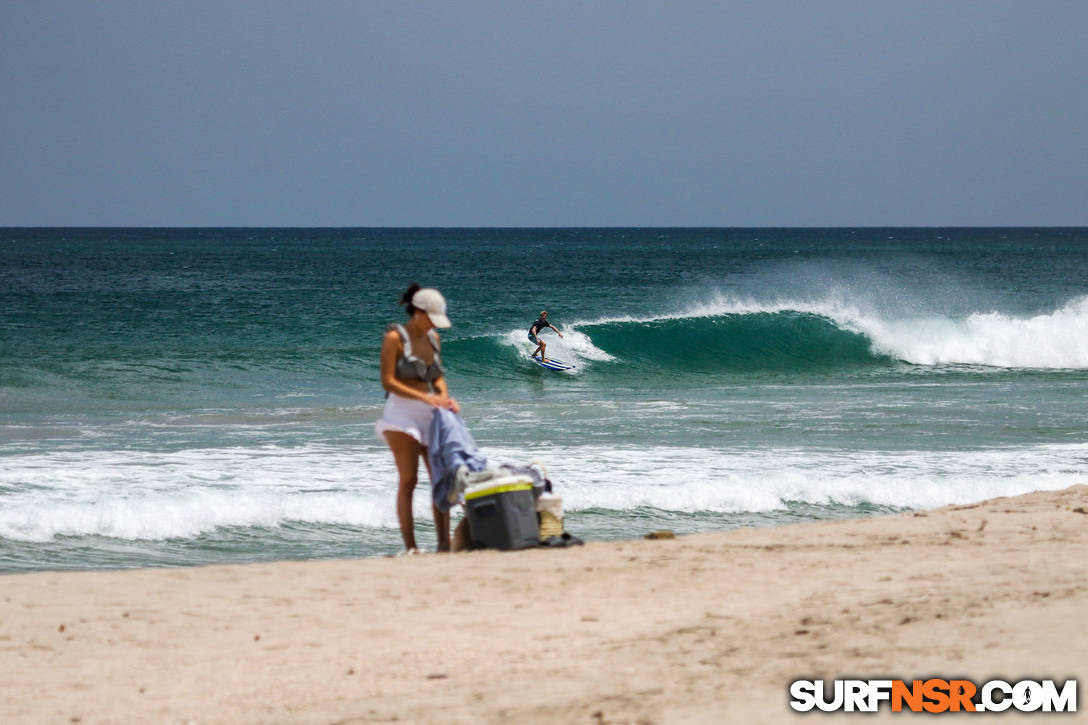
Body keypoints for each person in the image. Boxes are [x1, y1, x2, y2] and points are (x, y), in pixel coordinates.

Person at [375, 283, 460, 554]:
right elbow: (388, 382)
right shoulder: (394, 338)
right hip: (400, 414)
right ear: (419, 312)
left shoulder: (434, 338)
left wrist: (444, 397)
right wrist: (426, 398)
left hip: (430, 413)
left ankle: (444, 546)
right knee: (409, 480)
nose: (432, 325)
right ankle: (411, 547)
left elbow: (436, 375)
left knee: (440, 480)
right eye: (431, 319)